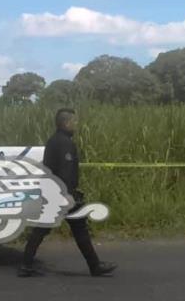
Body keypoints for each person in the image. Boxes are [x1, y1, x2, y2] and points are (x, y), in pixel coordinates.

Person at [18, 108, 117, 277]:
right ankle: (95, 266)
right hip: (61, 195)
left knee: (43, 229)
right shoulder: (65, 143)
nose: (76, 125)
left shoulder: (53, 141)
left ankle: (26, 265)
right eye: (74, 122)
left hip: (53, 193)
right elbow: (66, 171)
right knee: (77, 229)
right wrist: (68, 194)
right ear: (66, 123)